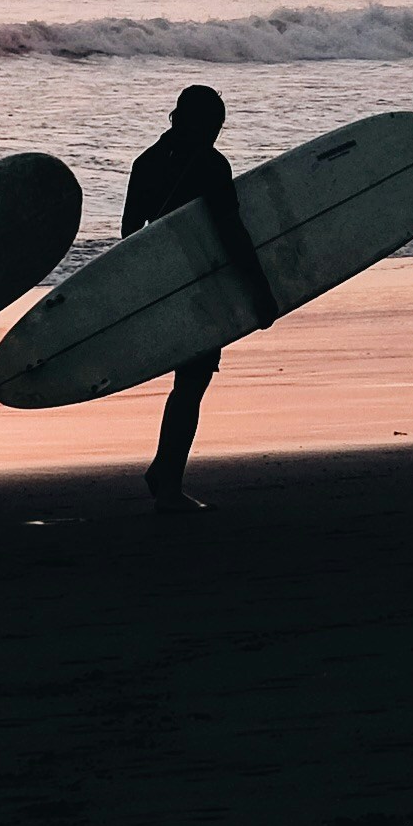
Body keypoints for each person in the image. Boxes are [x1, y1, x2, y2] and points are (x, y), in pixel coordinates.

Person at [129, 82, 283, 512]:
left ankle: (165, 470)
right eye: (214, 125)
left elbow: (129, 236)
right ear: (199, 123)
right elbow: (232, 232)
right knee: (191, 383)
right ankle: (168, 483)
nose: (216, 134)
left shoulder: (145, 162)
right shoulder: (212, 165)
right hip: (201, 286)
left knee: (187, 382)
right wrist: (261, 291)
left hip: (163, 287)